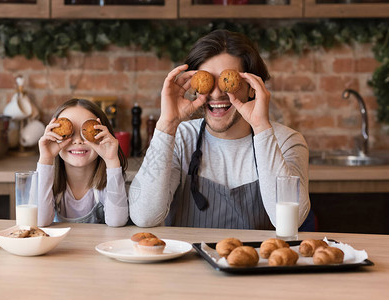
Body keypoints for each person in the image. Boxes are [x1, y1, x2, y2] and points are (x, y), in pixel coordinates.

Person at [129, 29, 311, 229]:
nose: (216, 94)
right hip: (188, 259)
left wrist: (261, 127)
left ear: (252, 87)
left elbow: (291, 222)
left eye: (227, 82)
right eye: (208, 81)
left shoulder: (287, 141)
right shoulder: (180, 138)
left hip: (255, 259)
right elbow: (143, 216)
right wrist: (167, 124)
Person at [37, 98, 129, 227]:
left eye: (85, 133)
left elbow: (117, 221)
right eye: (70, 133)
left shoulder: (107, 182)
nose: (78, 141)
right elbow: (39, 221)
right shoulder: (50, 184)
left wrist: (112, 161)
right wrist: (46, 159)